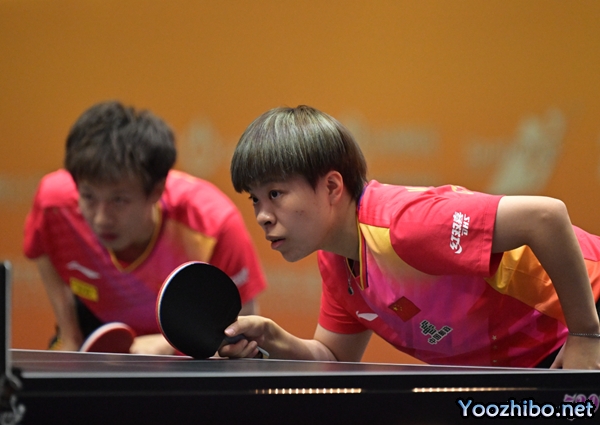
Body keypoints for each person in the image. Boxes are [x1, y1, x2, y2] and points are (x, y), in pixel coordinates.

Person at [221, 105, 600, 369]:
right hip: (534, 359)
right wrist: (271, 337)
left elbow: (545, 218)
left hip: (585, 313)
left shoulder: (405, 226)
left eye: (275, 194)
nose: (262, 216)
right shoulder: (336, 261)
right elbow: (333, 357)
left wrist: (586, 334)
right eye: (255, 199)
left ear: (332, 186)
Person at [23, 101, 267, 355]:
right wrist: (69, 333)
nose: (101, 219)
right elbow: (43, 250)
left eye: (119, 200)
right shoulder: (54, 204)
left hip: (185, 345)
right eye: (89, 198)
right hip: (95, 331)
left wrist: (167, 345)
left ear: (156, 191)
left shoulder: (214, 226)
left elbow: (242, 331)